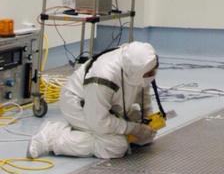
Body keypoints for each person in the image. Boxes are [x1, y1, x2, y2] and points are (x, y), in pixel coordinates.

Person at [28, 41, 160, 161]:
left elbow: (143, 86)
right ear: (135, 72)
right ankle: (51, 138)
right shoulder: (103, 77)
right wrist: (134, 129)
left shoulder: (137, 63)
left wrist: (148, 116)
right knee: (115, 146)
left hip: (108, 105)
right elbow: (100, 121)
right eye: (148, 74)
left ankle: (85, 132)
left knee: (144, 133)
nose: (151, 76)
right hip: (78, 104)